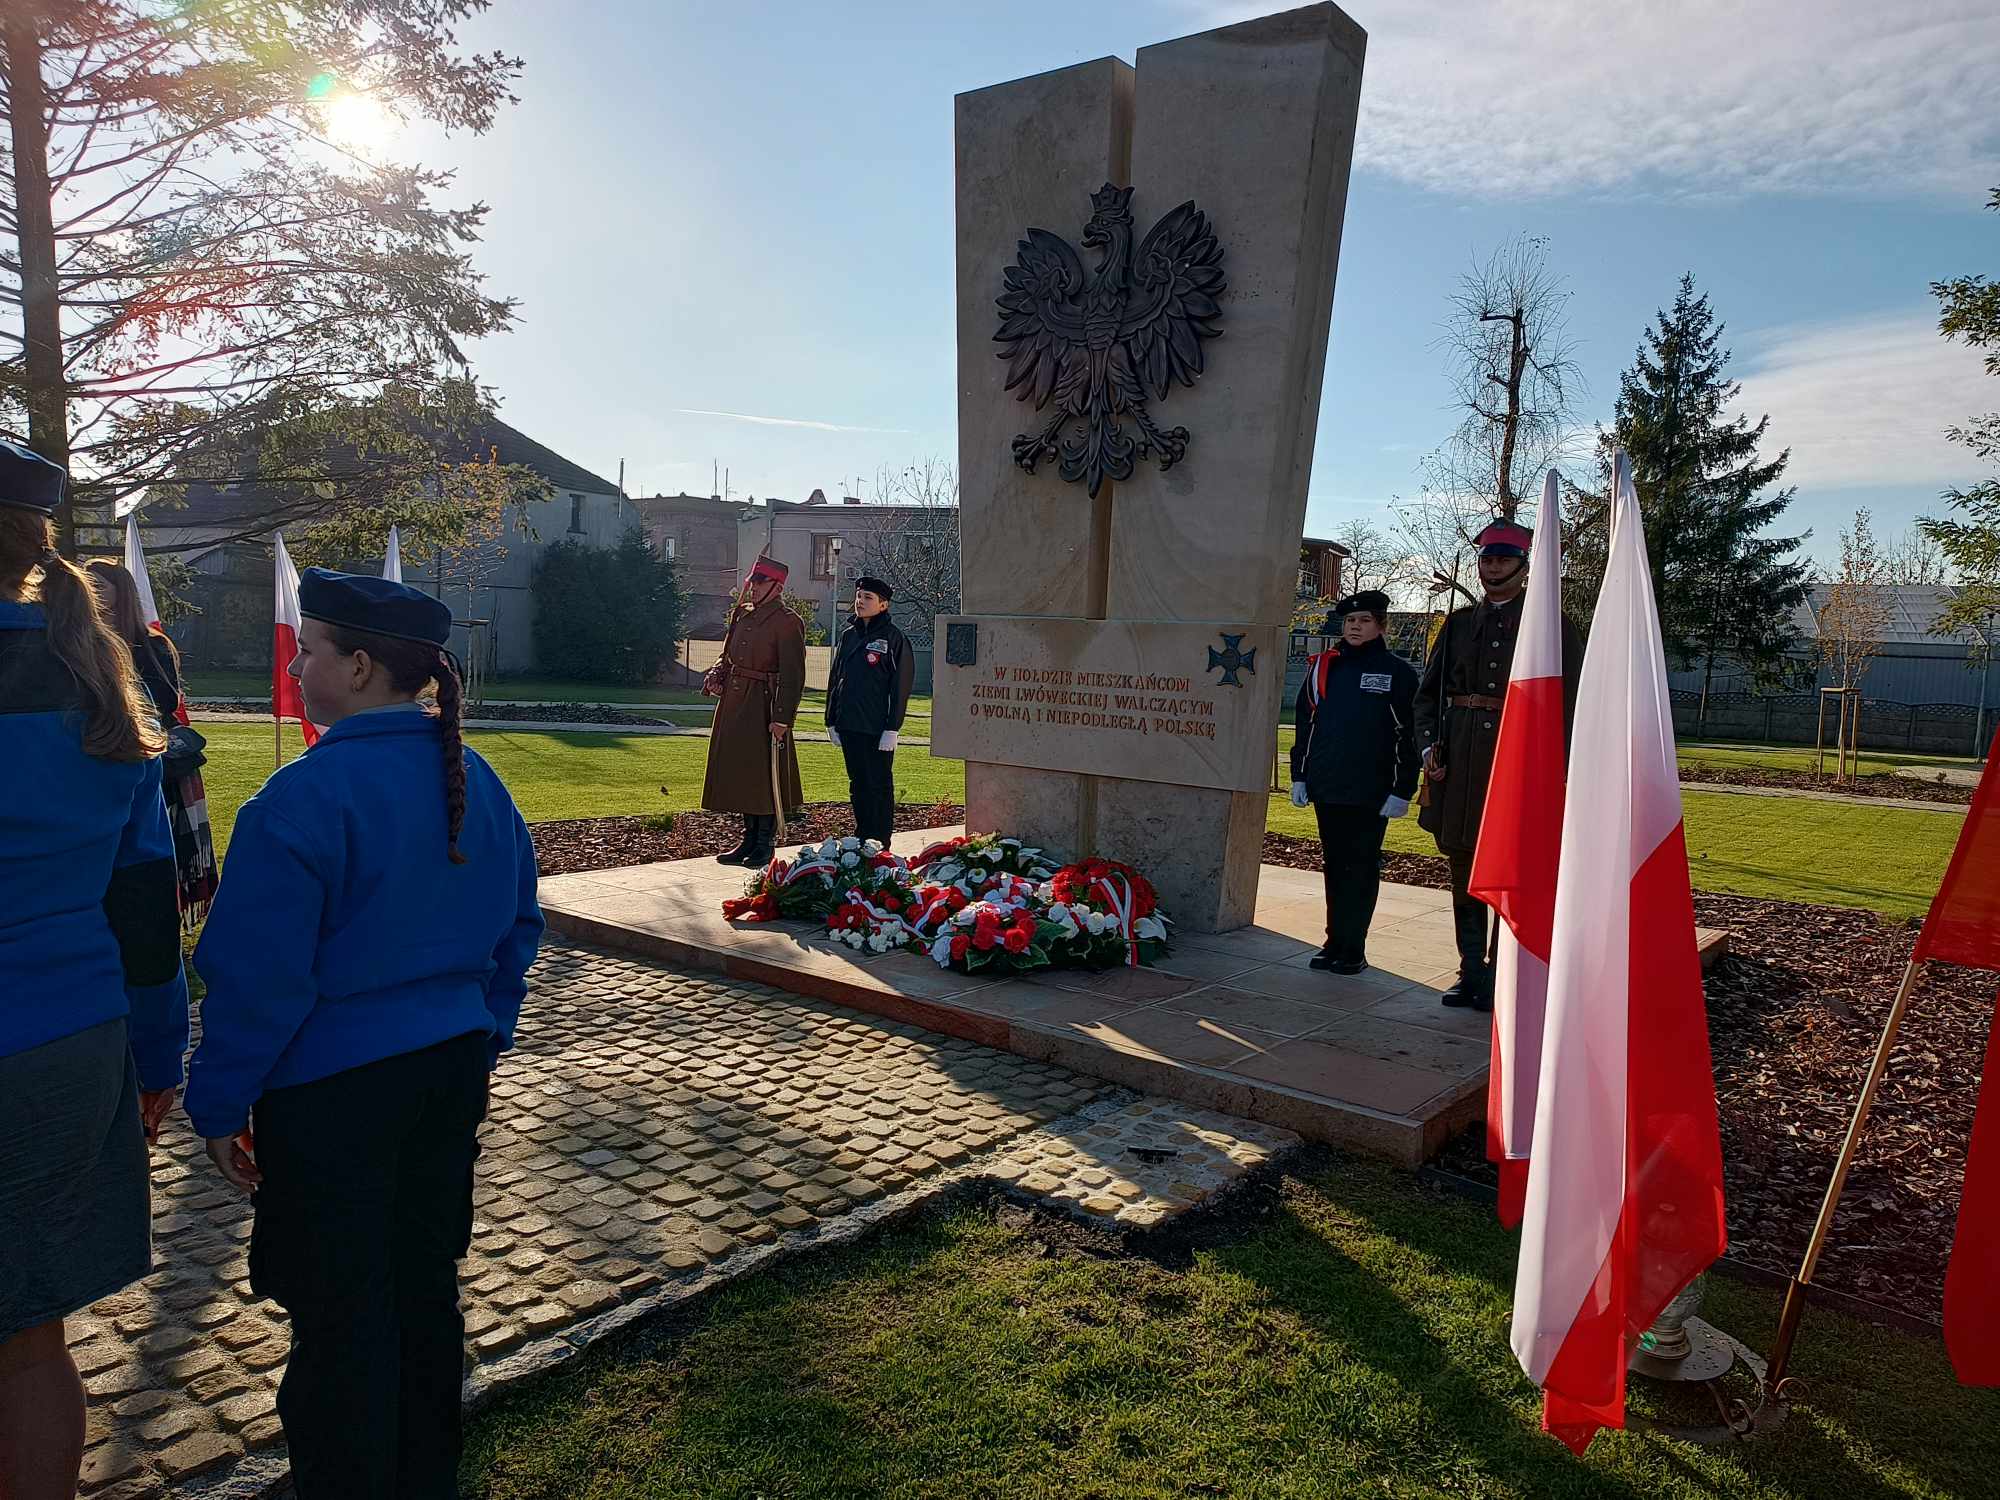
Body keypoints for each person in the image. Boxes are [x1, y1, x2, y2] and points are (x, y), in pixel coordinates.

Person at [183, 568, 544, 1500]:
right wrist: (480, 1032)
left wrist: (219, 1102)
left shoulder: (300, 800)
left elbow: (258, 980)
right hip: (447, 1074)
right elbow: (517, 927)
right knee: (423, 1290)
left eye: (307, 650)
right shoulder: (476, 778)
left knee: (342, 1316)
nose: (296, 667)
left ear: (356, 665)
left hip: (335, 1095)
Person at [0, 441, 188, 1500]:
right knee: (31, 1343)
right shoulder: (97, 680)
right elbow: (143, 909)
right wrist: (160, 1055)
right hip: (67, 1042)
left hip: (58, 1035)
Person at [1412, 520, 1582, 1010]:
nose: (1493, 568)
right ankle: (1470, 973)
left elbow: (1569, 703)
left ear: (1524, 567)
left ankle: (1502, 974)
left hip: (1516, 762)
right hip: (1460, 764)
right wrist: (1429, 750)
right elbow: (1428, 697)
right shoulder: (1460, 623)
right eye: (1487, 560)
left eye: (1504, 560)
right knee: (1464, 865)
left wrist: (1554, 769)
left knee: (1510, 869)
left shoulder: (1550, 625)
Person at [1289, 591, 1420, 974]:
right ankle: (1333, 941)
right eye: (1350, 622)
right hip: (1328, 784)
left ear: (1380, 625)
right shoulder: (1324, 668)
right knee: (1334, 865)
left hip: (1372, 789)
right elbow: (1305, 725)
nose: (1356, 628)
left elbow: (1408, 735)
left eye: (1364, 620)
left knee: (1361, 868)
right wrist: (1300, 775)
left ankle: (1354, 948)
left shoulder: (1397, 672)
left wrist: (1402, 789)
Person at [84, 558, 220, 922]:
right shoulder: (78, 643)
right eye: (86, 584)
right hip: (98, 758)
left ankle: (160, 918)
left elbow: (165, 699)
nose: (91, 592)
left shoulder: (150, 645)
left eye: (99, 586)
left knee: (154, 847)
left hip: (150, 759)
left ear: (121, 594)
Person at [703, 555, 805, 868]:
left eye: (760, 582)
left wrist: (782, 718)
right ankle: (748, 839)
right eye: (753, 581)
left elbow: (793, 674)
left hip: (764, 705)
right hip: (735, 703)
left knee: (764, 776)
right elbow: (728, 655)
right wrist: (717, 673)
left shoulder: (788, 621)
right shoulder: (743, 615)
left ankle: (764, 844)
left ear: (777, 586)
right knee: (743, 775)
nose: (753, 587)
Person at [824, 575, 915, 848]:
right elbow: (835, 677)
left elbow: (901, 687)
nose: (860, 602)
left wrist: (892, 727)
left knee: (879, 785)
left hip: (877, 728)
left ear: (883, 605)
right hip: (849, 723)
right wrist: (831, 719)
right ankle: (863, 836)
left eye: (868, 598)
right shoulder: (848, 635)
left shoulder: (894, 638)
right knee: (858, 784)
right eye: (859, 597)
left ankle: (881, 841)